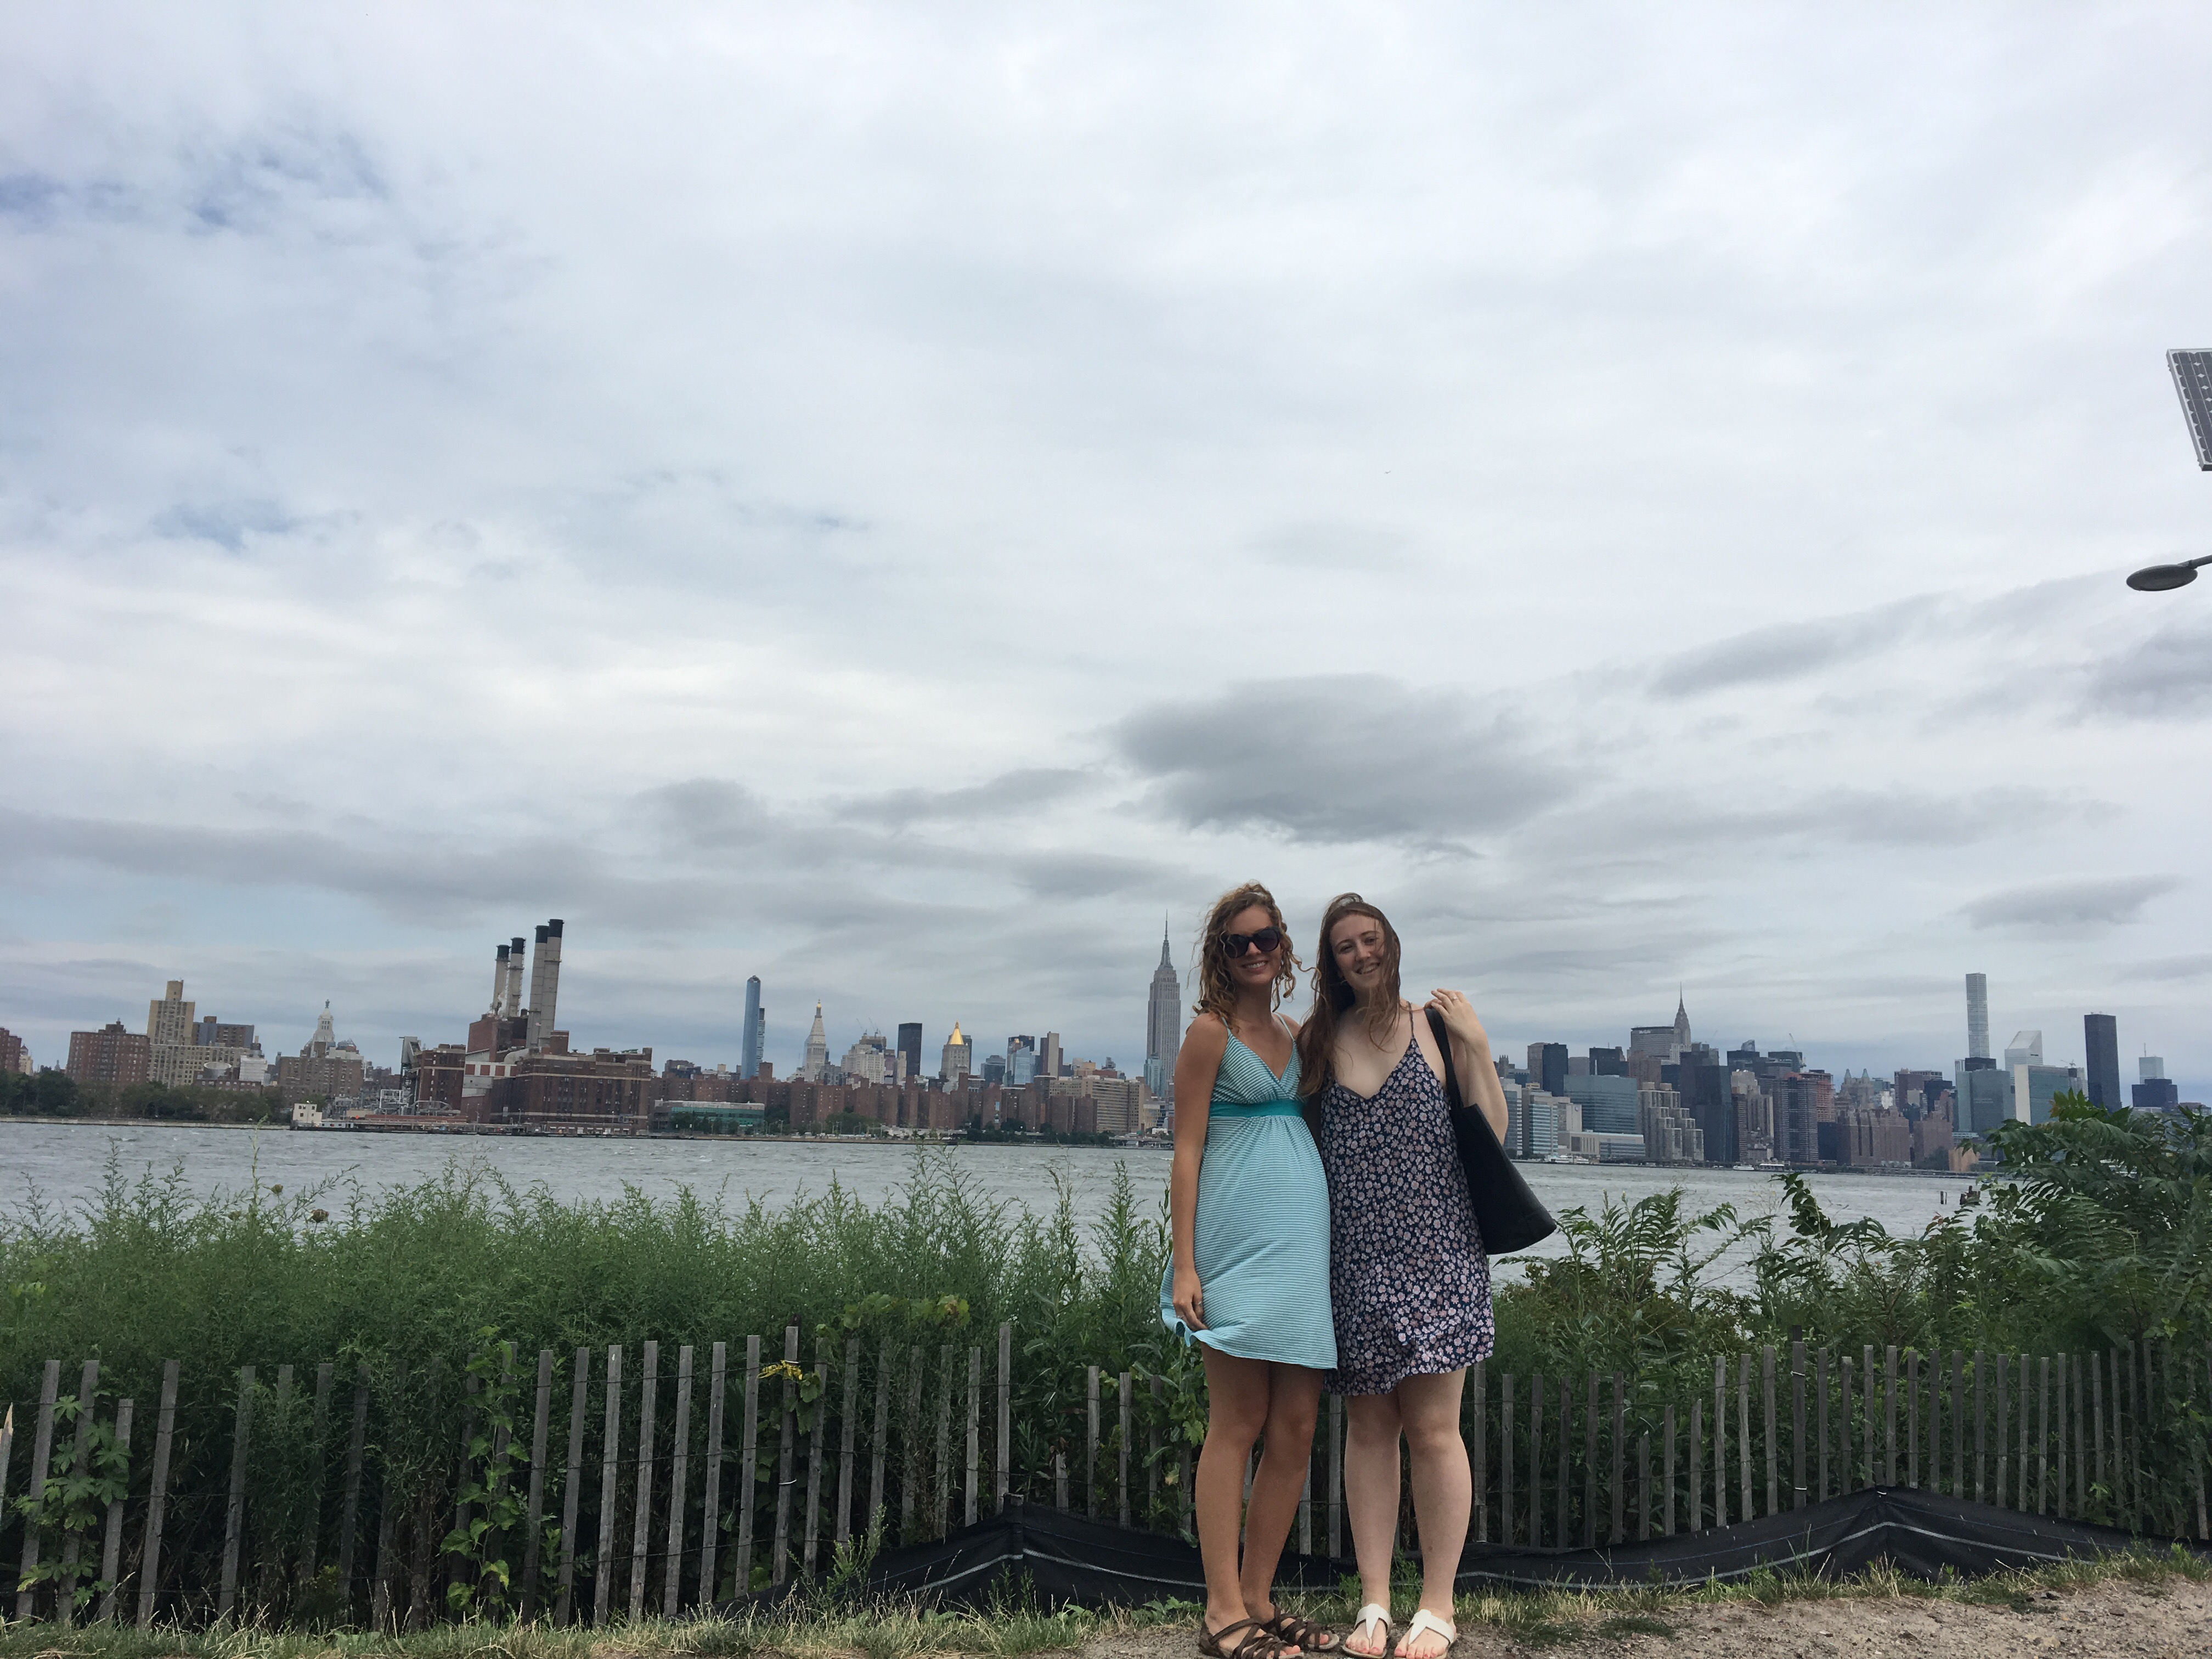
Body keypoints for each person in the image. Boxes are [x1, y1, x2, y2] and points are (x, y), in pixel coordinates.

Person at [1294, 894, 1509, 1659]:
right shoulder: (1319, 1040)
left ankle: (1438, 1606)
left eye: (1371, 939)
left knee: (1435, 1430)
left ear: (1391, 944)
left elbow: (1492, 1134)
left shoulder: (1438, 1027)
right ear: (1332, 963)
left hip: (1439, 1253)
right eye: (1345, 946)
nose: (1362, 954)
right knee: (1369, 1430)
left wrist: (1477, 1043)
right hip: (1354, 1261)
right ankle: (1376, 1603)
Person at [1160, 882, 1340, 1659]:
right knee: (1236, 1423)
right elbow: (1187, 1152)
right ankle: (1221, 1611)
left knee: (1296, 1427)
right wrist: (1185, 1266)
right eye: (1240, 942)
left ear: (1283, 945)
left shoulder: (1297, 1035)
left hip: (1300, 1250)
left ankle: (1260, 1596)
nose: (1256, 951)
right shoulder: (1210, 1033)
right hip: (1232, 1249)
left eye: (1267, 937)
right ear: (1221, 956)